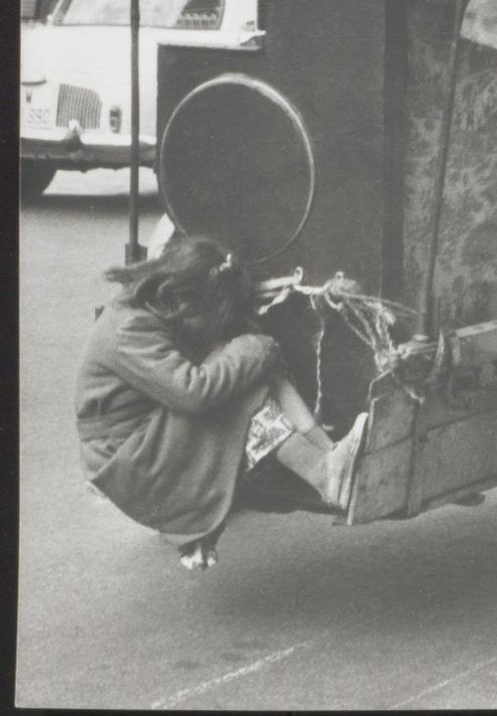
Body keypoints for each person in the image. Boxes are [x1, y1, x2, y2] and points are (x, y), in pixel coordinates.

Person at [76, 236, 368, 570]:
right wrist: (252, 349)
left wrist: (251, 349)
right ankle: (325, 477)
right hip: (125, 460)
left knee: (251, 367)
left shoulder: (156, 309)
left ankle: (329, 457)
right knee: (240, 389)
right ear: (182, 300)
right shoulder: (128, 329)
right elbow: (193, 392)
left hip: (145, 438)